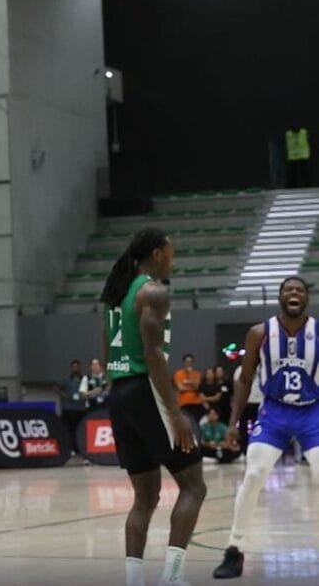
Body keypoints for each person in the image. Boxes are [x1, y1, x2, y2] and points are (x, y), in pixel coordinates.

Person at [101, 228, 205, 586]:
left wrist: (119, 389)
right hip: (145, 389)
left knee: (145, 496)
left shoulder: (116, 294)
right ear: (159, 253)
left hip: (119, 393)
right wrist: (176, 414)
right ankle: (173, 577)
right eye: (172, 252)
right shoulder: (153, 291)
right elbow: (152, 355)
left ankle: (134, 579)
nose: (173, 259)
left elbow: (105, 351)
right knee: (194, 486)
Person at [212, 276, 319, 580]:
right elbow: (245, 380)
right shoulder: (259, 333)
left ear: (307, 298)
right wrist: (233, 422)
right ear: (280, 297)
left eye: (300, 289)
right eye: (289, 289)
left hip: (313, 411)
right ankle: (234, 549)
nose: (294, 293)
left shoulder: (318, 332)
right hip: (274, 411)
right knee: (255, 474)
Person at [56, 359, 87, 443]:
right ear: (71, 368)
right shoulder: (66, 380)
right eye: (74, 367)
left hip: (81, 408)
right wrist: (63, 395)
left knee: (80, 429)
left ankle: (79, 446)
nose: (75, 368)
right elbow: (55, 387)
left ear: (80, 368)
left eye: (77, 367)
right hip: (69, 408)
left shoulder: (85, 379)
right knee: (68, 429)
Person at [173, 353, 204, 424]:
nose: (189, 363)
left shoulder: (197, 374)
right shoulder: (178, 374)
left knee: (196, 423)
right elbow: (181, 388)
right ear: (184, 362)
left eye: (190, 362)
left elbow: (198, 388)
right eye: (187, 361)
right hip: (184, 403)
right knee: (186, 422)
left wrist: (189, 380)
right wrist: (192, 385)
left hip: (196, 402)